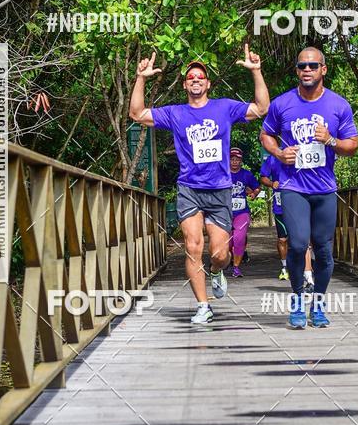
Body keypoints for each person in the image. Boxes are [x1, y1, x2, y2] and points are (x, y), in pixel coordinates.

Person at [129, 46, 269, 324]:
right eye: (190, 77)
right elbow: (137, 114)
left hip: (219, 190)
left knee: (219, 254)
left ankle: (216, 272)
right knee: (193, 247)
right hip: (189, 189)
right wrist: (141, 78)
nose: (195, 80)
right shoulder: (176, 113)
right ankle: (203, 306)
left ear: (207, 84)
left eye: (200, 77)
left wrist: (256, 71)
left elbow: (262, 108)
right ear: (185, 84)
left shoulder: (224, 108)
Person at [260, 47, 358, 329]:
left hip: (325, 188)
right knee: (299, 243)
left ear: (323, 70)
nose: (307, 70)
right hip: (293, 186)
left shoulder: (339, 105)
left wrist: (331, 141)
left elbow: (352, 145)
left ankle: (318, 303)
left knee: (325, 251)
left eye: (313, 65)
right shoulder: (282, 104)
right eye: (302, 65)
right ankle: (296, 299)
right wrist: (279, 153)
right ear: (297, 70)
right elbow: (265, 134)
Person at [259, 153, 314, 287]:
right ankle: (284, 267)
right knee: (282, 239)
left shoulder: (301, 153)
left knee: (302, 240)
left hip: (298, 204)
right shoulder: (272, 159)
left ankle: (308, 275)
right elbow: (263, 177)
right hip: (280, 207)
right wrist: (272, 183)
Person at [229, 148, 260, 277]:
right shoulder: (223, 174)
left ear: (241, 161)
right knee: (227, 243)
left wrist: (254, 193)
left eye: (237, 159)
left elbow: (257, 187)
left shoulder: (246, 174)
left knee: (239, 238)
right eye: (232, 159)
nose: (235, 162)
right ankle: (225, 261)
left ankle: (236, 268)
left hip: (242, 212)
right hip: (224, 212)